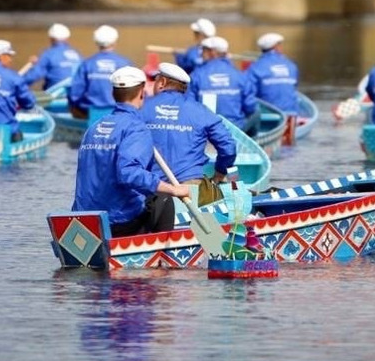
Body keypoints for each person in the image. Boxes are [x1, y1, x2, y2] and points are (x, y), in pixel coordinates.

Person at [72, 66, 191, 237]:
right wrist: (173, 189)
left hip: (85, 220)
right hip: (117, 223)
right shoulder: (136, 128)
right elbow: (129, 172)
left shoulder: (94, 127)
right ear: (142, 93)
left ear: (114, 94)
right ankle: (161, 255)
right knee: (164, 199)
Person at [141, 62, 236, 192]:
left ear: (162, 82)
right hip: (189, 186)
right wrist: (220, 171)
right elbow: (228, 147)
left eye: (155, 81)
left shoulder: (140, 109)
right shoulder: (201, 111)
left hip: (150, 185)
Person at [187, 36, 258, 132]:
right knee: (257, 113)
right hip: (236, 130)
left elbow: (188, 106)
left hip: (207, 131)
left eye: (203, 50)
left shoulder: (196, 75)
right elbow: (250, 107)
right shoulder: (239, 75)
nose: (200, 54)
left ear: (212, 52)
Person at [67, 25, 132, 119]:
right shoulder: (125, 63)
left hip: (92, 113)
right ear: (114, 42)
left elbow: (74, 94)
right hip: (120, 112)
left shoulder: (87, 64)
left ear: (96, 42)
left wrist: (74, 107)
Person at [244, 32, 299, 115]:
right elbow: (294, 87)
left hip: (267, 115)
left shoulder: (255, 67)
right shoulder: (291, 65)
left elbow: (248, 93)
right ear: (276, 47)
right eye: (280, 45)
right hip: (291, 114)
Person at [23, 23, 80, 92]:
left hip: (55, 94)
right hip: (76, 92)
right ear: (67, 38)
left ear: (51, 38)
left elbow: (32, 76)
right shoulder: (77, 54)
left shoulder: (48, 54)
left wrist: (17, 83)